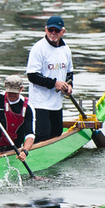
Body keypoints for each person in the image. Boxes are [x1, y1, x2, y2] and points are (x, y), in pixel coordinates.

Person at [25, 15, 73, 143]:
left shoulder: (66, 49)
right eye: (50, 30)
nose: (53, 33)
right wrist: (54, 84)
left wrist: (69, 86)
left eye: (56, 31)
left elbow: (69, 73)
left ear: (63, 31)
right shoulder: (38, 48)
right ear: (45, 30)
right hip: (40, 103)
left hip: (57, 103)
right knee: (42, 135)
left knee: (57, 134)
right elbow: (32, 76)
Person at [0, 75, 35, 159]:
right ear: (5, 87)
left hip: (14, 147)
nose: (12, 95)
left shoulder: (27, 107)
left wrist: (24, 151)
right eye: (9, 92)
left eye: (15, 92)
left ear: (21, 89)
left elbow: (30, 134)